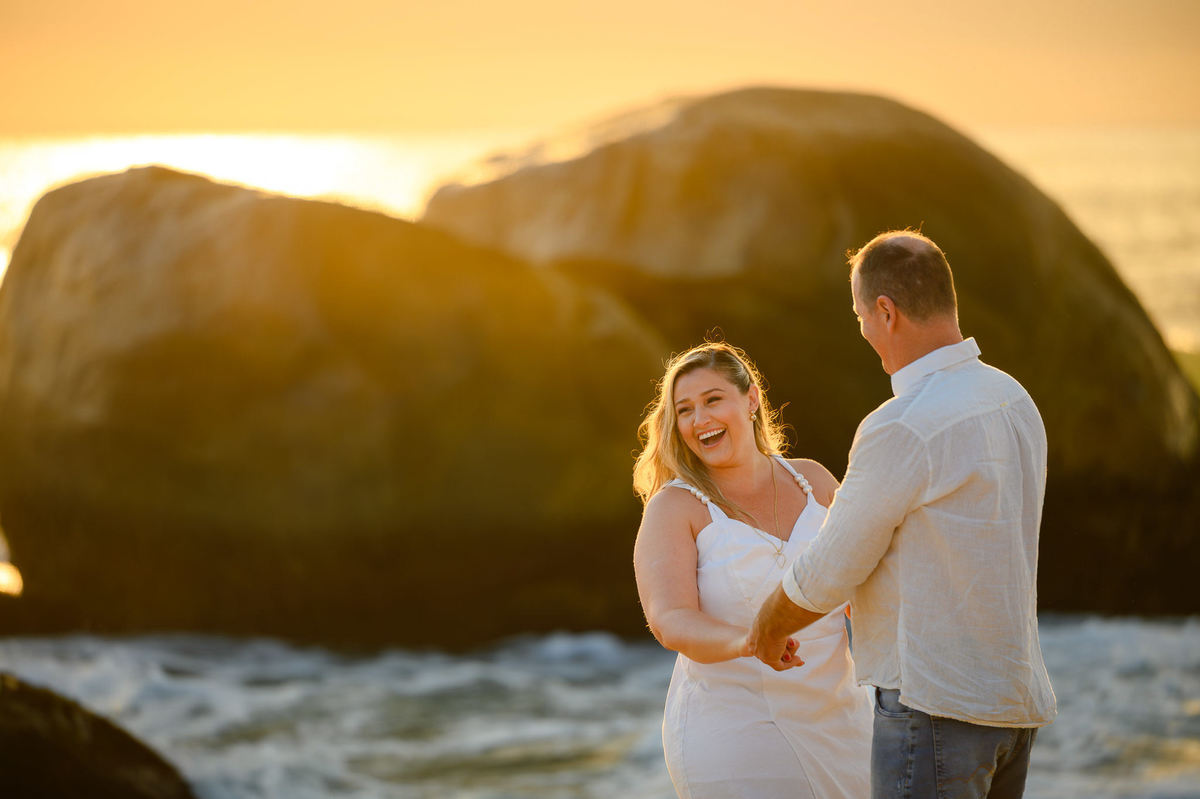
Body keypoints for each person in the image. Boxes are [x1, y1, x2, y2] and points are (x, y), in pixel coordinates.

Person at [749, 230, 1057, 799]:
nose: (864, 331)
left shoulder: (903, 423)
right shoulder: (1014, 398)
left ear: (886, 312)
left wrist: (769, 626)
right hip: (1012, 706)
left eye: (862, 316)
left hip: (934, 709)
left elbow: (833, 566)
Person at [633, 341, 872, 799]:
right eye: (684, 410)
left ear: (751, 399)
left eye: (713, 400)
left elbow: (863, 581)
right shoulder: (675, 507)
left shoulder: (814, 480)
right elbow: (670, 620)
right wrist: (751, 641)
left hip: (844, 723)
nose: (700, 419)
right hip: (736, 732)